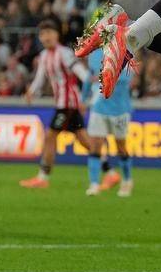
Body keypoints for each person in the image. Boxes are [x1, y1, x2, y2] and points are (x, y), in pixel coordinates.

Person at [20, 18, 103, 190]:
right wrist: (31, 92)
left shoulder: (64, 53)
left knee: (50, 136)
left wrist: (89, 85)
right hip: (63, 104)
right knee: (83, 140)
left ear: (57, 34)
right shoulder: (44, 56)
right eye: (42, 34)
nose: (45, 37)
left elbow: (78, 71)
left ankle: (43, 177)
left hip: (68, 104)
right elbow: (40, 78)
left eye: (49, 32)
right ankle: (109, 171)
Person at [82, 23, 135, 197]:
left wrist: (103, 75)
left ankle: (127, 180)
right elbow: (88, 79)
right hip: (99, 107)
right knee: (96, 145)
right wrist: (83, 100)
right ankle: (94, 184)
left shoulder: (126, 55)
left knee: (121, 147)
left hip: (119, 109)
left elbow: (124, 80)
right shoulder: (94, 55)